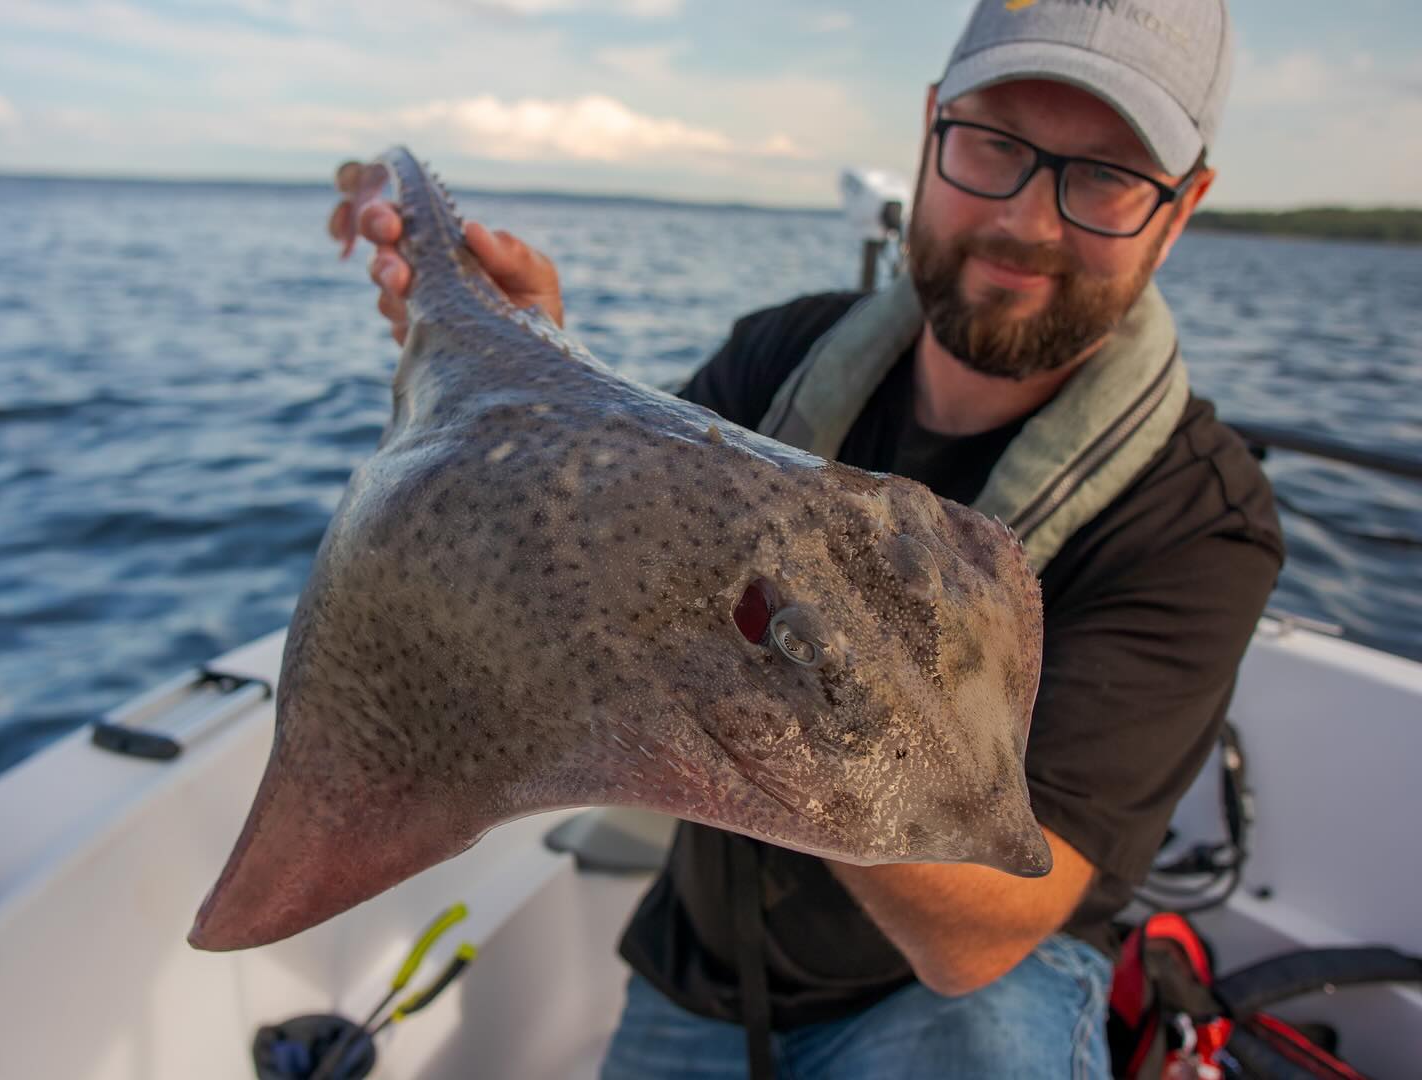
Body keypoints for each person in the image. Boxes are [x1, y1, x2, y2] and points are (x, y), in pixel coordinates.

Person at [336, 1, 1282, 1074]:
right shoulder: (778, 355)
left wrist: (798, 698)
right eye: (994, 145)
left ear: (1182, 206)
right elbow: (592, 559)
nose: (1027, 219)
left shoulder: (1198, 521)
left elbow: (984, 935)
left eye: (1106, 173)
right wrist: (540, 368)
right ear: (930, 131)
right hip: (701, 961)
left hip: (957, 995)